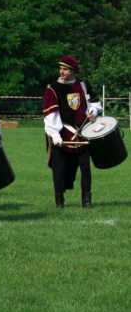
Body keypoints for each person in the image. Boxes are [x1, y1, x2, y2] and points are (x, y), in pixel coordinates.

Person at [43, 54, 102, 209]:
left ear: (73, 71)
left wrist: (93, 113)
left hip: (82, 132)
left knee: (85, 166)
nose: (61, 72)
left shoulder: (83, 85)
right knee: (60, 168)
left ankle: (87, 200)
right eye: (60, 69)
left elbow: (96, 104)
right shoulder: (53, 89)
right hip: (62, 132)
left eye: (65, 69)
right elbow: (50, 116)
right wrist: (55, 135)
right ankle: (59, 201)